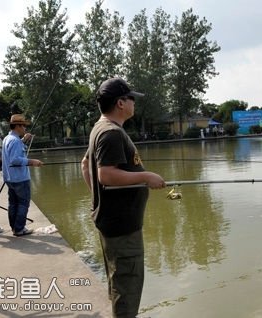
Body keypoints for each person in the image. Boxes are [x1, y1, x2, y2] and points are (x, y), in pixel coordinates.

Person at [81, 77, 166, 317]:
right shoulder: (111, 133)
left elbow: (84, 166)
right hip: (122, 227)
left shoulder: (100, 128)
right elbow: (105, 174)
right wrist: (146, 177)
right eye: (131, 99)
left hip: (112, 222)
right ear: (120, 103)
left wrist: (98, 201)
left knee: (118, 282)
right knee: (127, 285)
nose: (133, 103)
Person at [1, 114, 43, 236]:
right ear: (17, 126)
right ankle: (19, 228)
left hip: (10, 178)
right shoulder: (14, 141)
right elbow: (15, 160)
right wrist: (32, 162)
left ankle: (15, 227)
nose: (25, 128)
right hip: (20, 179)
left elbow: (15, 153)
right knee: (23, 203)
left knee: (13, 203)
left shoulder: (7, 139)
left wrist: (24, 141)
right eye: (23, 125)